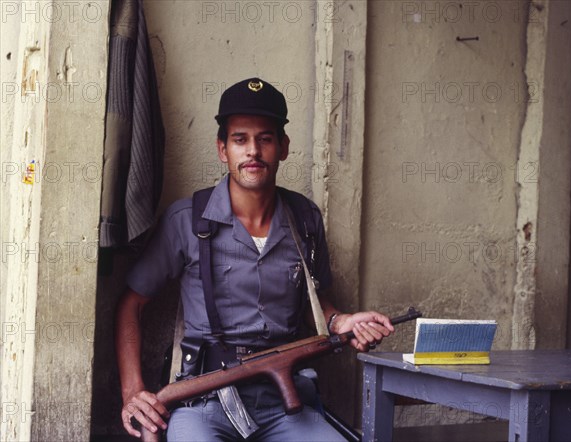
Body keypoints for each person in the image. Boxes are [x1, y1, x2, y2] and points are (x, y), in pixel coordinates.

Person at [115, 78, 394, 440]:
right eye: (240, 139)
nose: (252, 151)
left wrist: (340, 321)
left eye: (264, 139)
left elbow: (314, 297)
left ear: (283, 147)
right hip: (204, 402)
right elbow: (131, 304)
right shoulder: (187, 220)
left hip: (285, 400)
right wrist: (133, 393)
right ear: (222, 149)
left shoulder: (305, 218)